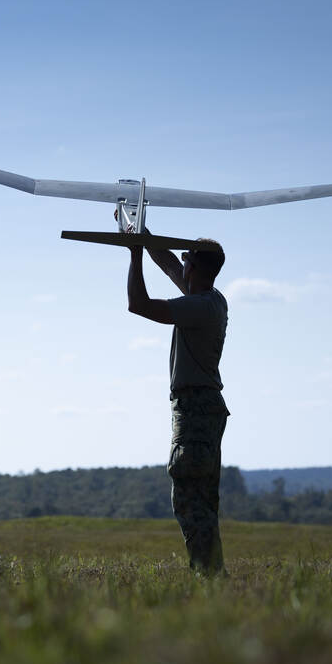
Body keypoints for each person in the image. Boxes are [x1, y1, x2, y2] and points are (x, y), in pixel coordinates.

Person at [125, 231, 229, 575]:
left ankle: (208, 576)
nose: (181, 266)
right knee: (202, 499)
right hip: (205, 407)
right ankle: (213, 575)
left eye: (187, 261)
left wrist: (135, 256)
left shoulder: (199, 307)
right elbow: (170, 264)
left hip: (195, 410)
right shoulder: (211, 300)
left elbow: (138, 304)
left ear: (194, 268)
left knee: (189, 498)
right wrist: (142, 234)